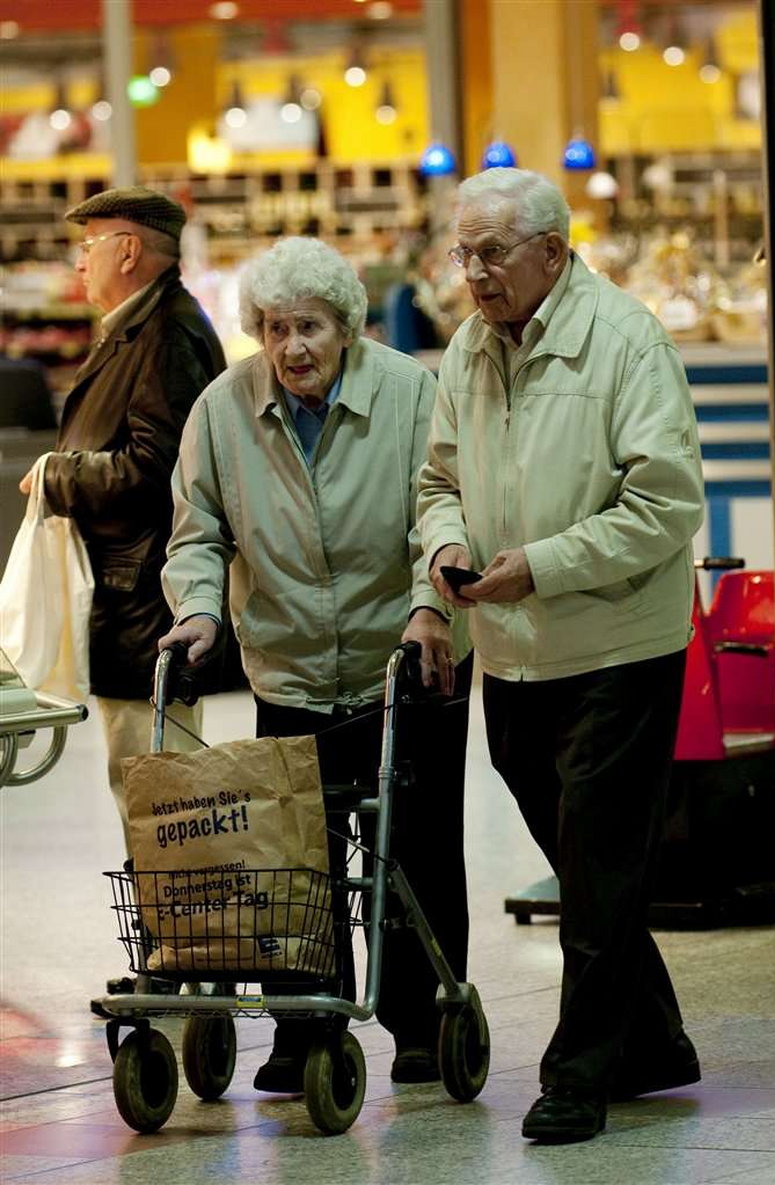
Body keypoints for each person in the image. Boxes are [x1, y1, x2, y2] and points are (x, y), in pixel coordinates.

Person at [416, 167, 705, 1144]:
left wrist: (538, 566)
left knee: (599, 855)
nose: (474, 275)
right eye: (463, 254)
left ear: (552, 250)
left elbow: (664, 504)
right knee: (592, 863)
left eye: (492, 254)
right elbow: (437, 479)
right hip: (515, 646)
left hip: (619, 638)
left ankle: (576, 1076)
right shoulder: (466, 349)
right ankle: (655, 1039)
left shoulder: (626, 340)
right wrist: (446, 548)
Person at [159, 236, 471, 1090]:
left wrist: (429, 608)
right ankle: (303, 1030)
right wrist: (197, 608)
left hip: (407, 658)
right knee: (295, 856)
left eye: (309, 326)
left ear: (346, 327)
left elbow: (441, 515)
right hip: (291, 666)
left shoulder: (410, 393)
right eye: (272, 327)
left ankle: (420, 1020)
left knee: (412, 848)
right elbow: (199, 532)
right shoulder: (223, 408)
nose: (291, 346)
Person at [18, 187, 226, 871]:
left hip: (149, 607)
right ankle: (174, 958)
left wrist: (58, 474)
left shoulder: (167, 334)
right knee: (149, 791)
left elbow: (156, 467)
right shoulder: (139, 327)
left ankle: (187, 958)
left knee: (166, 800)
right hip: (128, 600)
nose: (80, 263)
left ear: (128, 250)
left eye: (89, 245)